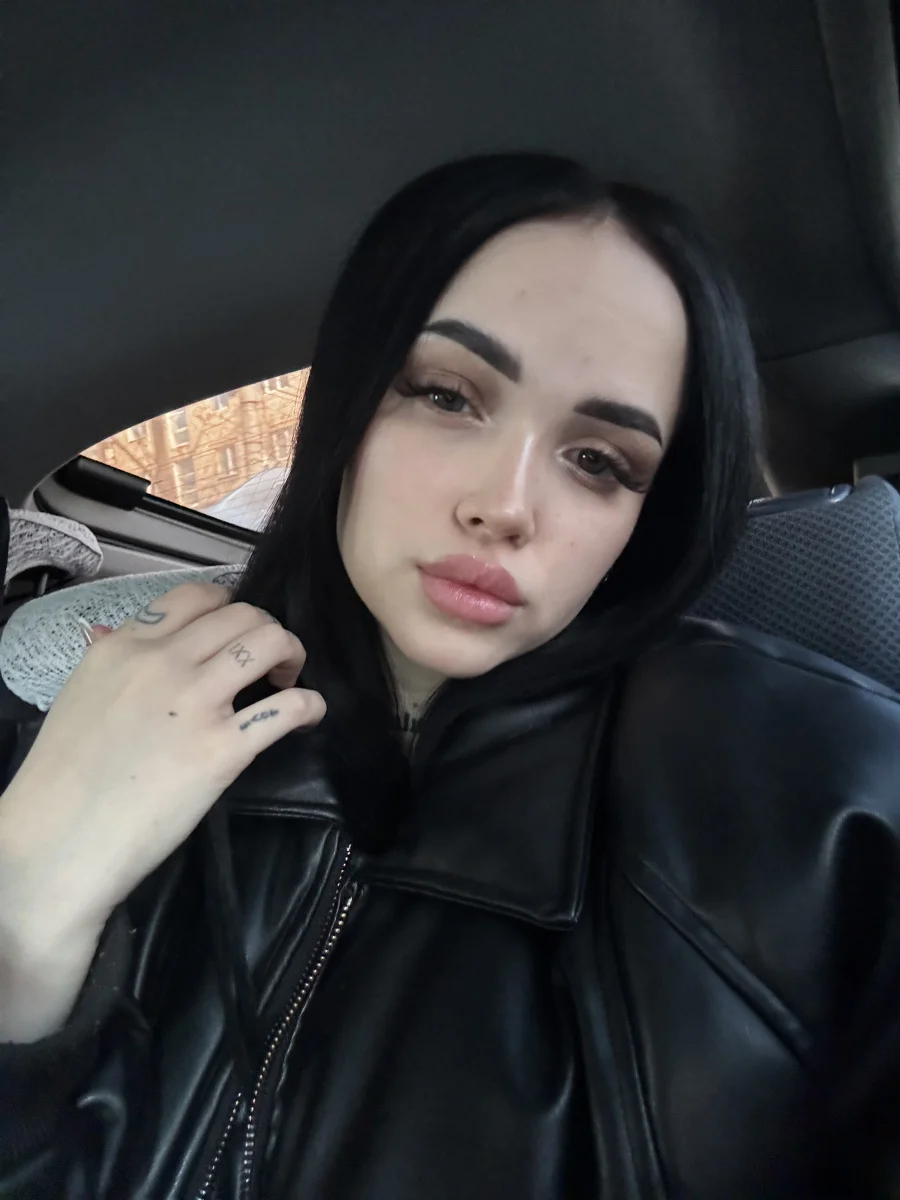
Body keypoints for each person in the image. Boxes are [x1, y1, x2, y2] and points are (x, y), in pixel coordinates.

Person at [0, 154, 898, 1200]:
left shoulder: (834, 806)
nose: (504, 505)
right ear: (347, 403)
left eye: (599, 460)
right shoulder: (115, 715)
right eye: (446, 394)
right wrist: (22, 899)